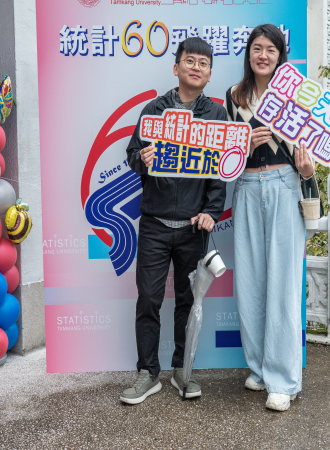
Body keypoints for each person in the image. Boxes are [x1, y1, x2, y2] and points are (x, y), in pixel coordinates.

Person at [121, 37, 227, 405]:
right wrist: (143, 159)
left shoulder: (216, 115)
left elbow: (219, 172)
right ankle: (148, 373)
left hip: (193, 227)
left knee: (187, 302)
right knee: (148, 299)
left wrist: (212, 212)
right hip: (154, 223)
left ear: (209, 74)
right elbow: (132, 154)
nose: (196, 67)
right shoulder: (154, 110)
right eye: (190, 61)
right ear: (176, 67)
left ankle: (183, 371)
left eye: (203, 63)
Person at [224, 24, 315, 411]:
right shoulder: (235, 95)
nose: (263, 55)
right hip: (246, 186)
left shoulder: (296, 95)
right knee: (249, 283)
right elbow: (225, 156)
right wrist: (242, 145)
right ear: (249, 54)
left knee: (283, 284)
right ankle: (260, 369)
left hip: (283, 186)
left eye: (270, 50)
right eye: (257, 48)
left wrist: (308, 168)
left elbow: (311, 150)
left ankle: (283, 380)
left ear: (280, 56)